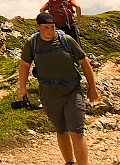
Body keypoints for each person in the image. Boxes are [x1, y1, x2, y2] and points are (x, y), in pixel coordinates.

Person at [18, 13, 99, 165]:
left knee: (76, 132)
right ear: (38, 27)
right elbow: (24, 66)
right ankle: (69, 162)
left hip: (72, 91)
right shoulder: (32, 43)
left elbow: (84, 63)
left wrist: (92, 88)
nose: (50, 31)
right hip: (49, 94)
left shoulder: (66, 40)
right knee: (61, 130)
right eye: (46, 27)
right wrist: (22, 88)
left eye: (52, 27)